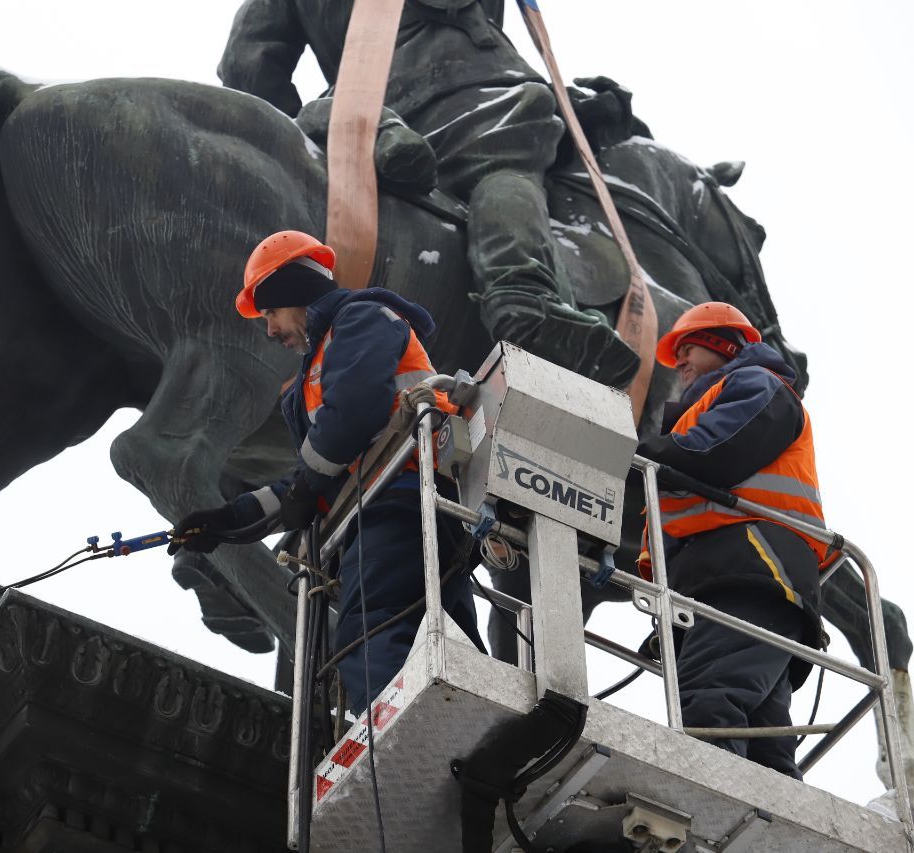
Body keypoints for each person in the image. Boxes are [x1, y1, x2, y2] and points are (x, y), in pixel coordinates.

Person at [218, 0, 639, 387]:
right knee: (501, 160)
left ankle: (380, 132)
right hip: (473, 86)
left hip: (359, 115)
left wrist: (303, 146)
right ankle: (522, 298)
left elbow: (247, 64)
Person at [169, 230, 483, 711]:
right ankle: (480, 741)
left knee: (368, 634)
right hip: (409, 505)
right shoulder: (320, 365)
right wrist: (228, 520)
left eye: (271, 312)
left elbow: (354, 411)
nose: (270, 331)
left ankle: (401, 741)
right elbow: (312, 482)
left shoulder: (360, 318)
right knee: (451, 648)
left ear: (293, 292)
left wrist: (307, 484)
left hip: (398, 499)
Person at [637, 302, 826, 778]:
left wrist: (632, 449)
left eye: (688, 347)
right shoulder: (699, 410)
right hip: (730, 581)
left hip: (752, 570)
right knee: (766, 747)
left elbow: (716, 451)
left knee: (709, 704)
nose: (679, 361)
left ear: (724, 345)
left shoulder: (757, 384)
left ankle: (706, 807)